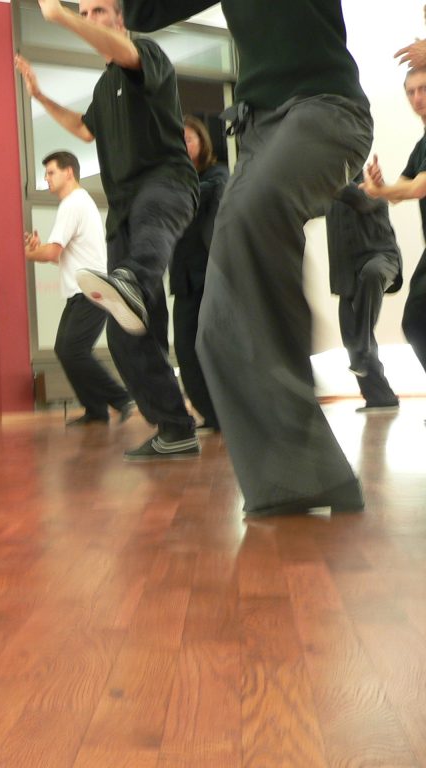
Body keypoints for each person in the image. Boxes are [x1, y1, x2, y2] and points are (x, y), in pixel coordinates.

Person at [124, 0, 373, 514]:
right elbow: (142, 12)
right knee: (215, 324)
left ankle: (310, 468)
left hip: (325, 110)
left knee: (243, 222)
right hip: (258, 133)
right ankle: (292, 483)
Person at [15, 0, 200, 462]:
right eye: (85, 10)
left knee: (148, 230)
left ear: (121, 18)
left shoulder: (148, 55)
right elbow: (81, 129)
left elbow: (125, 54)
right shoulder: (104, 87)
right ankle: (176, 428)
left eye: (99, 10)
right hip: (121, 211)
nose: (90, 17)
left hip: (166, 185)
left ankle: (132, 282)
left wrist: (60, 16)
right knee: (125, 334)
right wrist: (39, 96)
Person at [23, 150, 134, 426]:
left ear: (68, 172)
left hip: (90, 291)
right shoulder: (78, 203)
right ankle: (96, 410)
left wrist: (30, 253)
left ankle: (120, 398)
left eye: (51, 172)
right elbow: (59, 256)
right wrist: (40, 251)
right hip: (83, 291)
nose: (47, 179)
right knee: (66, 349)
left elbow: (51, 254)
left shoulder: (73, 203)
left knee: (72, 350)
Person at [361, 66, 426, 383]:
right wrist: (381, 186)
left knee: (418, 318)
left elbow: (419, 187)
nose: (417, 98)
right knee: (416, 320)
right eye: (411, 91)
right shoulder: (421, 146)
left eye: (423, 88)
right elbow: (399, 192)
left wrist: (382, 190)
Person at [326, 174, 403, 413]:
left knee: (370, 274)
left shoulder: (370, 186)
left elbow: (361, 200)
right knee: (351, 333)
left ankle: (362, 349)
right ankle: (380, 397)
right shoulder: (328, 194)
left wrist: (325, 177)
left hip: (382, 260)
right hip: (348, 273)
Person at [170, 116, 227, 433]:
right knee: (185, 349)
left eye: (189, 138)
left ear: (203, 142)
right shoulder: (176, 180)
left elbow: (210, 195)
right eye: (178, 139)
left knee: (212, 348)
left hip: (211, 277)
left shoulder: (216, 175)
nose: (184, 144)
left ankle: (226, 414)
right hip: (184, 279)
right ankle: (212, 414)